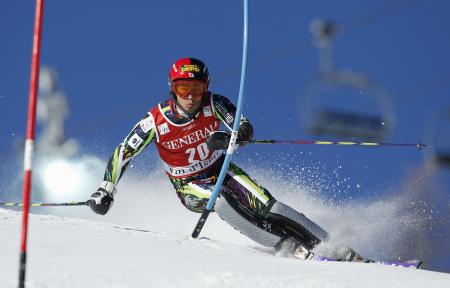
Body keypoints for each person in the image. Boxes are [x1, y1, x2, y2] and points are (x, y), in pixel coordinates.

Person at [88, 57, 331, 258]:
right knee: (221, 201)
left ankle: (329, 243)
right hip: (189, 185)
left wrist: (234, 137)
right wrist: (106, 189)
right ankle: (285, 245)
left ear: (206, 87)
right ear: (172, 87)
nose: (191, 96)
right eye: (184, 89)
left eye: (197, 89)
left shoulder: (215, 104)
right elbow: (123, 151)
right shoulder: (156, 120)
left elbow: (243, 126)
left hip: (222, 169)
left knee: (269, 206)